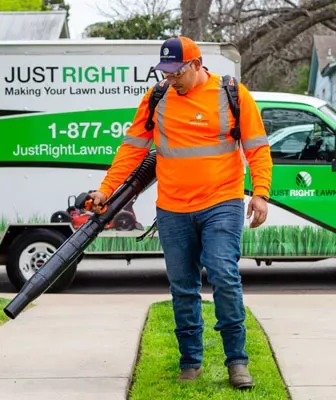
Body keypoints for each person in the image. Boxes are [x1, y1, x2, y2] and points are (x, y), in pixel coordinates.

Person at [88, 36, 273, 389]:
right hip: (173, 207)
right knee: (183, 287)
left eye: (176, 71)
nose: (170, 78)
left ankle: (237, 361)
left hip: (222, 202)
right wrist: (105, 190)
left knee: (223, 274)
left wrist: (260, 193)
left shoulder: (232, 93)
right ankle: (191, 361)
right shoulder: (157, 98)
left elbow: (257, 148)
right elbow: (132, 149)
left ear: (196, 64)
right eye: (165, 71)